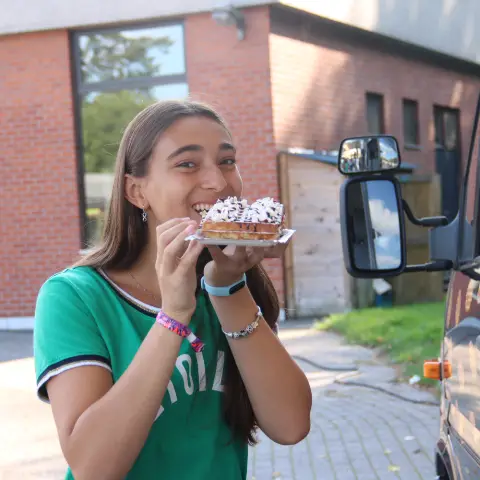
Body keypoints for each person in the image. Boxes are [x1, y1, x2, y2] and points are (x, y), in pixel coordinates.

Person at [33, 100, 312, 480]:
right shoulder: (74, 297)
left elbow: (291, 425)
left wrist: (228, 288)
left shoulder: (225, 284)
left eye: (227, 161)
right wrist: (173, 316)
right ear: (136, 191)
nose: (218, 181)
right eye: (187, 164)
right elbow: (93, 468)